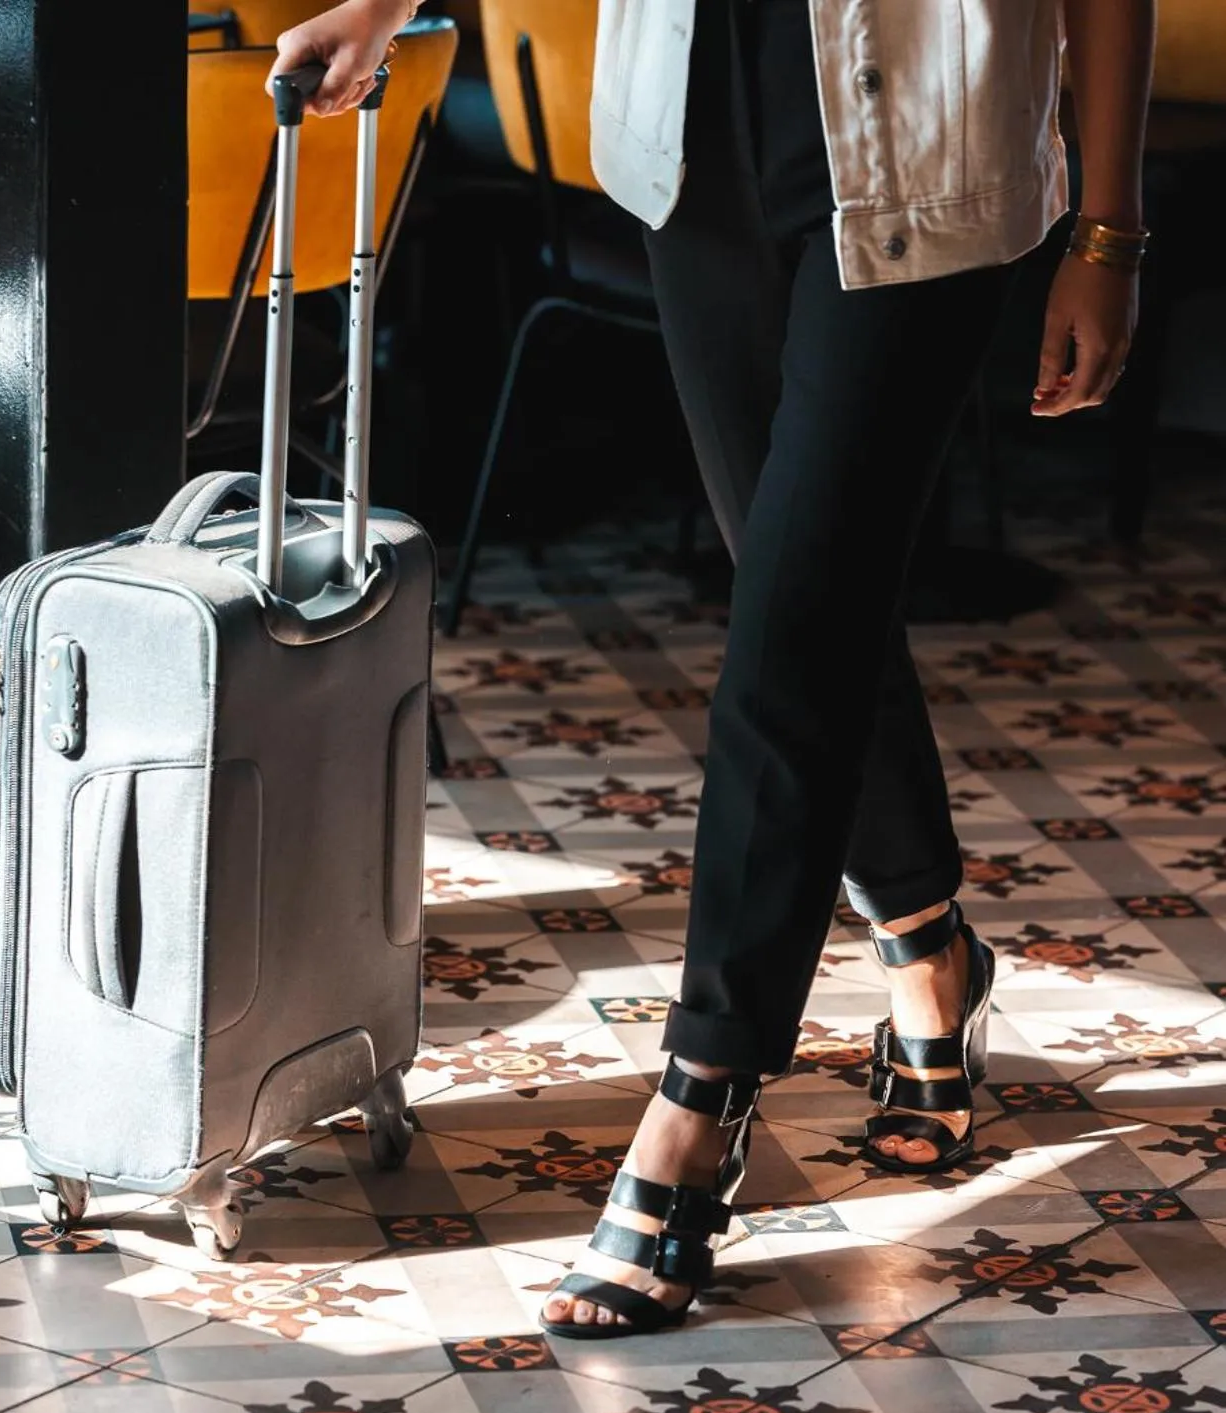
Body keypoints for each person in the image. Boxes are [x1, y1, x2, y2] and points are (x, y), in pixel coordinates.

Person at [273, 0, 1155, 1340]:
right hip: (695, 149)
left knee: (795, 632)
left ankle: (703, 1098)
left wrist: (1109, 232)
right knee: (807, 598)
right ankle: (929, 950)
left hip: (924, 147)